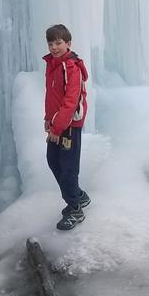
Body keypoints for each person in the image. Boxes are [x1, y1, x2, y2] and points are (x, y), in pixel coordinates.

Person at [43, 24, 89, 231]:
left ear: (68, 44)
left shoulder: (71, 67)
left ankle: (75, 208)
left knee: (68, 168)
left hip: (70, 125)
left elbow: (70, 103)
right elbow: (51, 96)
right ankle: (78, 196)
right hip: (57, 124)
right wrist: (48, 118)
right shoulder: (52, 64)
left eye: (58, 43)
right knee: (53, 161)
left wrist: (57, 128)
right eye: (51, 43)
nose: (54, 47)